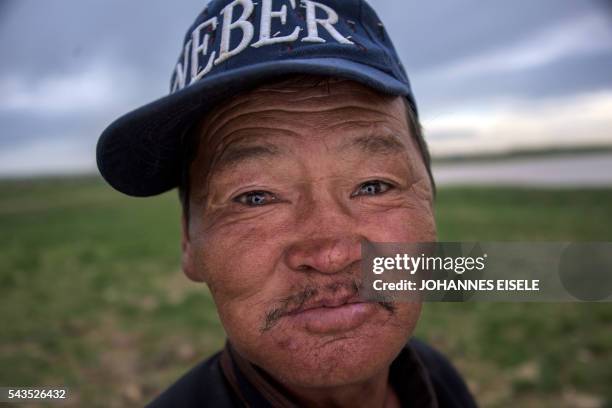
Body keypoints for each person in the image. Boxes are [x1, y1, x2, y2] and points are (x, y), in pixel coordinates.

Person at [97, 0, 477, 406]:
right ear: (189, 240)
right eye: (256, 197)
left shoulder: (439, 380)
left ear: (429, 201)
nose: (331, 254)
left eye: (373, 186)